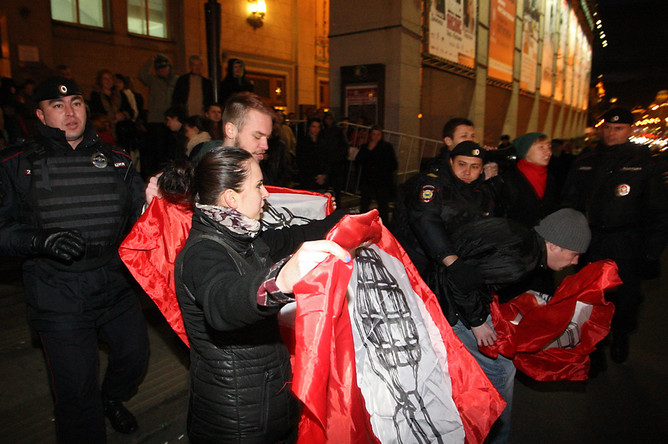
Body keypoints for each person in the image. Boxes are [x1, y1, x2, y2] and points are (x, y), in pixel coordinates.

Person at [0, 76, 152, 441]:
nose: (70, 112)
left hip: (113, 281)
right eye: (58, 105)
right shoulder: (15, 164)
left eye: (77, 103)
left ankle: (111, 398)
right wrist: (37, 240)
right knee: (77, 393)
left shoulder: (116, 159)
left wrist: (165, 192)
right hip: (57, 289)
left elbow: (143, 215)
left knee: (134, 356)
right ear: (40, 115)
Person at [174, 146, 349, 442]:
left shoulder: (247, 239)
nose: (265, 193)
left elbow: (294, 236)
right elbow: (222, 302)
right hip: (236, 421)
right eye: (258, 185)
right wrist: (280, 281)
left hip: (266, 404)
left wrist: (347, 220)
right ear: (232, 198)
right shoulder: (202, 253)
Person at [439, 208, 591, 443]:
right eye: (574, 254)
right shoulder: (520, 261)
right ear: (554, 245)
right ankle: (494, 436)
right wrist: (478, 322)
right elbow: (460, 282)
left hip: (449, 293)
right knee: (501, 370)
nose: (575, 262)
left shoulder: (521, 234)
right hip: (451, 304)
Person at [562, 107, 668, 364]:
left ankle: (621, 335)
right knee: (590, 296)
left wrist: (652, 253)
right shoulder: (587, 160)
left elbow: (659, 211)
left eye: (618, 128)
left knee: (626, 297)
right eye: (608, 127)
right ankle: (594, 346)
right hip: (591, 241)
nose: (611, 133)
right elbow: (569, 202)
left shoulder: (644, 163)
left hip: (627, 243)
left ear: (629, 130)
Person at [488, 132, 559, 228]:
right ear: (526, 151)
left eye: (549, 147)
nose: (549, 152)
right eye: (541, 147)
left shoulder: (550, 178)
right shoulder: (509, 179)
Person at [139, 54, 178, 178]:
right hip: (156, 121)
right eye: (159, 68)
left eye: (165, 67)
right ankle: (157, 175)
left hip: (172, 121)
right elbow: (142, 75)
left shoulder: (176, 80)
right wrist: (151, 61)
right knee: (157, 151)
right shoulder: (153, 80)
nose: (163, 70)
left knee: (171, 150)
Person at [355, 125, 397, 222]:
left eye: (378, 134)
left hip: (382, 180)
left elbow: (393, 163)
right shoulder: (365, 146)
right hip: (368, 179)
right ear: (370, 135)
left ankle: (384, 225)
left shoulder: (387, 147)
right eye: (374, 134)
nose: (376, 137)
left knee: (383, 205)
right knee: (364, 203)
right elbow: (359, 160)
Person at [296, 117, 328, 192]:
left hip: (321, 177)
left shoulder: (323, 142)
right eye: (314, 127)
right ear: (309, 128)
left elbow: (326, 159)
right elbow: (301, 161)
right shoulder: (303, 142)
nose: (316, 129)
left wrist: (324, 175)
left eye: (318, 127)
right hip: (307, 178)